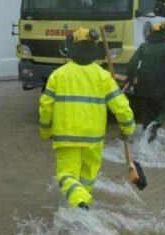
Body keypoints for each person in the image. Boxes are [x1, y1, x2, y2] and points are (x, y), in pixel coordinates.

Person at [38, 28, 135, 210]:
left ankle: (79, 202)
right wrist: (128, 128)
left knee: (66, 175)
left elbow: (45, 106)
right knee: (88, 176)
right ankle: (81, 205)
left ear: (71, 48)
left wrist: (45, 131)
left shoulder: (58, 75)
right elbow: (121, 107)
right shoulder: (103, 76)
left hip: (66, 136)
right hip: (94, 139)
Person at [124, 23, 165, 142]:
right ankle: (155, 126)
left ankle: (147, 142)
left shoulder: (143, 46)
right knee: (164, 110)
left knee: (147, 115)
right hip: (160, 88)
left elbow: (132, 64)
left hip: (142, 88)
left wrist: (130, 79)